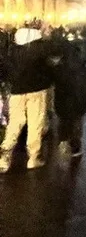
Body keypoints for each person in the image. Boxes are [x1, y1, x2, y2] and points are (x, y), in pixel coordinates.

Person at [0, 24, 54, 172]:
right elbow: (50, 68)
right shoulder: (40, 51)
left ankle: (4, 156)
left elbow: (5, 71)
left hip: (17, 92)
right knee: (35, 123)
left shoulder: (12, 53)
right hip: (37, 90)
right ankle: (33, 157)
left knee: (14, 123)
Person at [51, 38, 86, 159]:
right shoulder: (81, 66)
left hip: (63, 99)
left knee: (64, 121)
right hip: (79, 99)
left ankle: (63, 140)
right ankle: (75, 146)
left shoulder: (59, 66)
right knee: (77, 122)